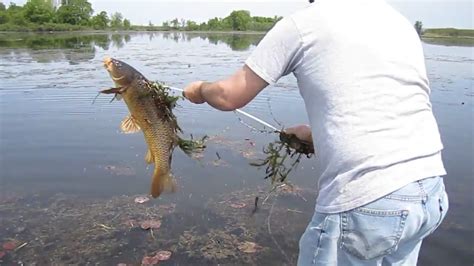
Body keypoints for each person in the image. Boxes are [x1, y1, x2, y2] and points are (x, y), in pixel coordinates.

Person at [183, 0, 448, 265]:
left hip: (368, 201)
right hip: (428, 189)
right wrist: (314, 136)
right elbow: (383, 110)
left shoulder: (301, 25)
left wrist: (200, 89)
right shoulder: (397, 20)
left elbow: (228, 96)